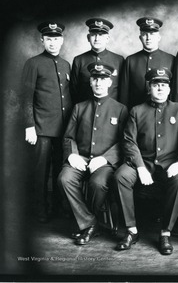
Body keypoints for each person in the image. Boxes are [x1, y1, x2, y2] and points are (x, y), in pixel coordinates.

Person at [114, 68, 178, 255]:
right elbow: (129, 141)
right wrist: (140, 167)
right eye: (156, 85)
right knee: (121, 176)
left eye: (164, 85)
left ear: (169, 89)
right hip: (143, 162)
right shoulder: (137, 111)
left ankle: (165, 233)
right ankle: (131, 230)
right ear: (149, 87)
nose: (160, 88)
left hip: (169, 163)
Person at [58, 62, 128, 245]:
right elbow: (68, 137)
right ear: (90, 82)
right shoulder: (79, 107)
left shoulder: (120, 109)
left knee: (98, 183)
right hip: (80, 158)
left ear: (109, 82)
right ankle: (91, 223)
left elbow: (125, 142)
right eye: (95, 79)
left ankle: (87, 224)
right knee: (65, 179)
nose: (99, 83)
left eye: (103, 79)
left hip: (104, 162)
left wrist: (105, 158)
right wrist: (72, 154)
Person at [23, 21, 72, 223]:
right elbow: (25, 97)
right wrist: (29, 126)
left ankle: (59, 212)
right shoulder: (33, 63)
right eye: (49, 38)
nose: (53, 42)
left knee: (61, 172)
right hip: (41, 129)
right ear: (42, 40)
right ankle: (40, 212)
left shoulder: (65, 64)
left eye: (56, 38)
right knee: (41, 174)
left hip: (63, 130)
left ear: (61, 40)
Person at [119, 17, 174, 109]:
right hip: (136, 112)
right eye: (145, 34)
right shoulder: (131, 60)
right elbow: (124, 92)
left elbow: (173, 90)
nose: (148, 38)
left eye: (152, 34)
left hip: (163, 112)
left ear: (159, 37)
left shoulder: (171, 59)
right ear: (140, 38)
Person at [70, 18, 124, 104]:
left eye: (101, 35)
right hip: (85, 111)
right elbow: (73, 90)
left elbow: (122, 90)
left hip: (112, 111)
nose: (97, 39)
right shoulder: (79, 60)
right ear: (88, 37)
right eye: (93, 35)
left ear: (107, 38)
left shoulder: (119, 60)